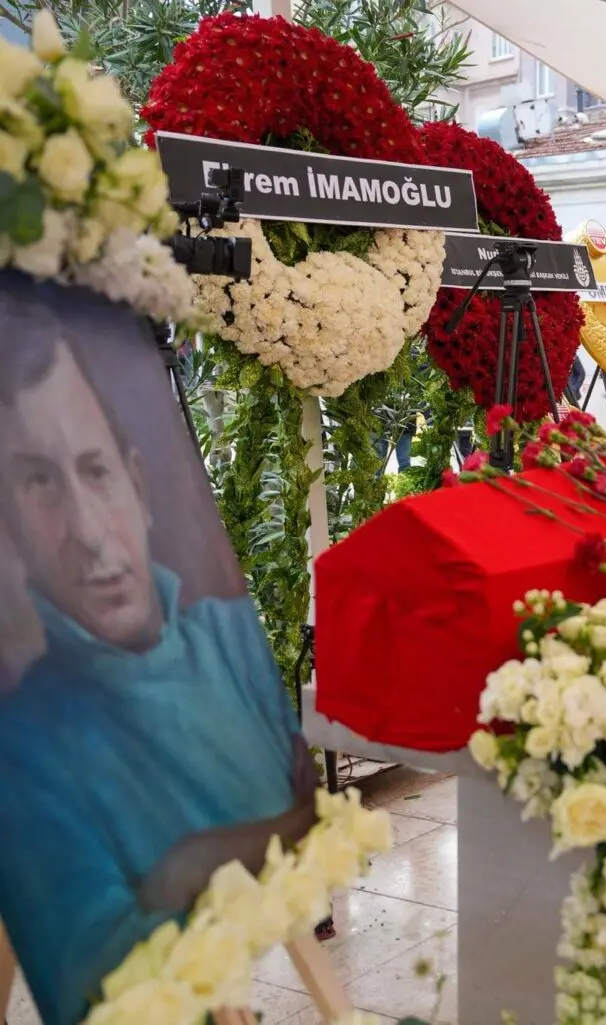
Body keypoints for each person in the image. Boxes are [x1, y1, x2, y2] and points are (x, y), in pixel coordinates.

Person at [0, 305, 317, 1025]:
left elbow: (303, 812)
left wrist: (185, 867)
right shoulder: (22, 744)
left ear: (139, 486)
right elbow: (101, 967)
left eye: (94, 471)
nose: (86, 532)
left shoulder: (232, 636)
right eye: (38, 484)